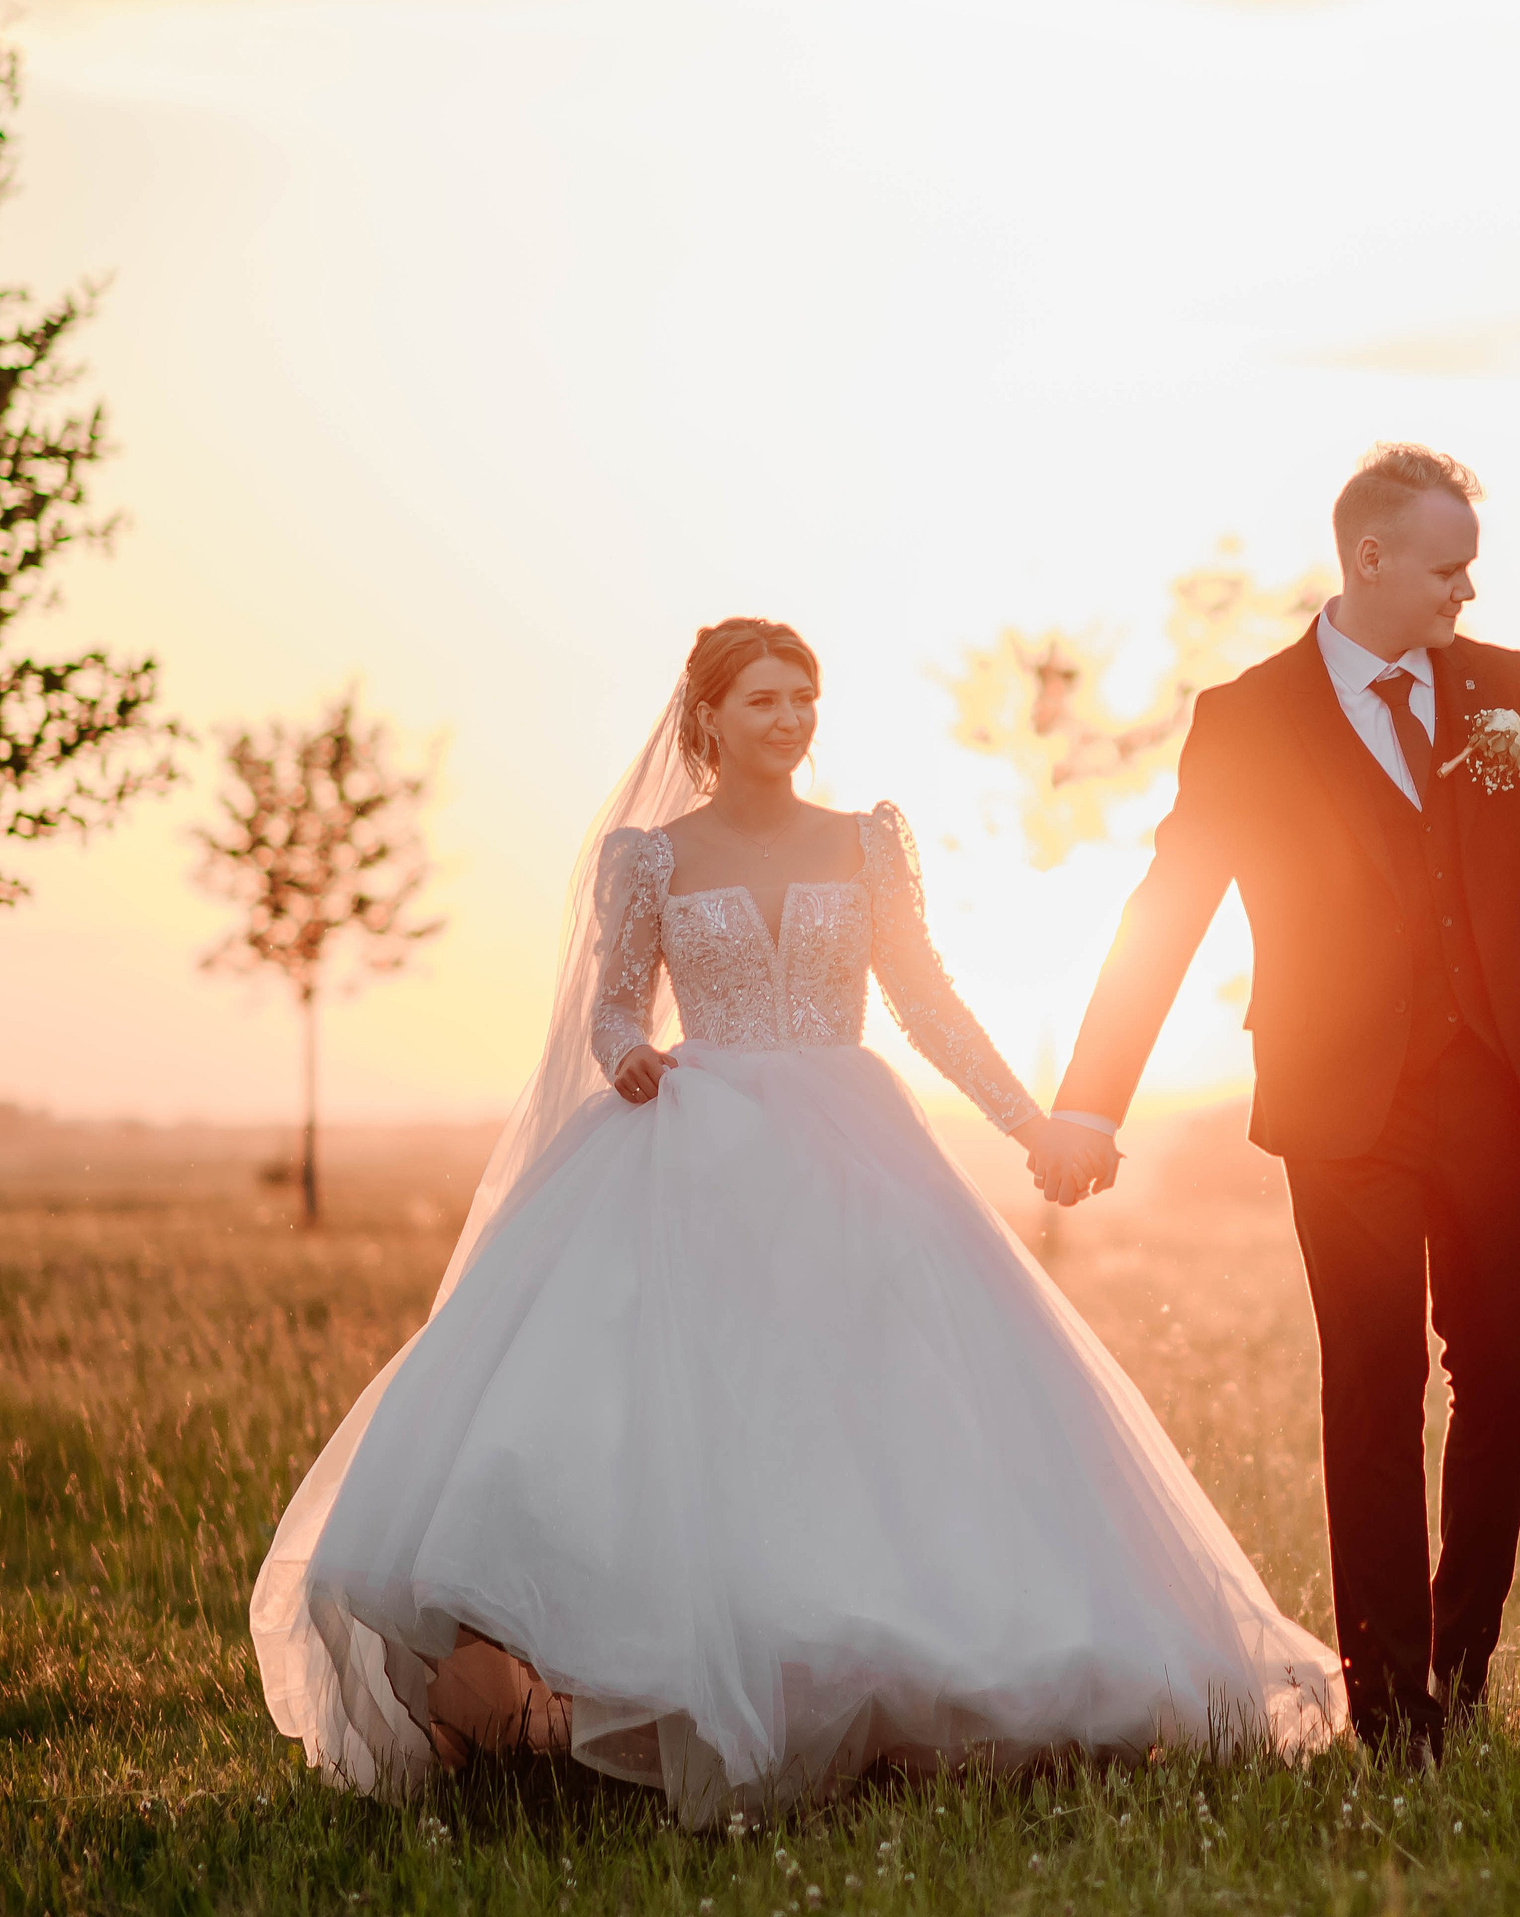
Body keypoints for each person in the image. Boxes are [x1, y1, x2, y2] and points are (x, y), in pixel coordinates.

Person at [250, 618, 1342, 1827]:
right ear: (707, 718)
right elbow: (613, 1008)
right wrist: (627, 1059)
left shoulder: (864, 840)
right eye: (763, 700)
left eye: (803, 699)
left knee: (890, 1400)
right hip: (697, 1145)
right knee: (704, 1415)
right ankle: (670, 1674)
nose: (788, 720)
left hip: (853, 1147)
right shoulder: (650, 858)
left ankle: (914, 1665)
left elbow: (926, 1004)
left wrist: (1031, 1122)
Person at [1029, 446, 1520, 1759]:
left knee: (1506, 1378)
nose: (1468, 589)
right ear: (1371, 558)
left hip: (1500, 1093)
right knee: (1373, 1386)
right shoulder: (1248, 716)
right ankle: (1390, 1703)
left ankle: (1462, 1659)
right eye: (1450, 566)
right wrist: (1090, 1103)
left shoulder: (1497, 691)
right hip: (1339, 1107)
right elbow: (1169, 906)